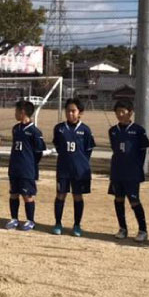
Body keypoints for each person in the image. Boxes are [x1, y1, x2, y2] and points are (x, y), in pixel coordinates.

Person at [108, 100, 149, 242]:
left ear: (130, 112)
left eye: (123, 111)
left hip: (132, 172)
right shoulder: (113, 131)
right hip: (117, 171)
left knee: (134, 201)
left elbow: (143, 151)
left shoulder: (138, 130)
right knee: (118, 199)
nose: (120, 114)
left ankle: (143, 230)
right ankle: (122, 228)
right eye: (117, 112)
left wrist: (137, 168)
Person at [52, 98, 96, 237]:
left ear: (80, 113)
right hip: (63, 169)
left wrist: (80, 162)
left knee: (78, 196)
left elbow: (88, 150)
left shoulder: (85, 130)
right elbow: (59, 146)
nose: (70, 114)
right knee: (60, 195)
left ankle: (77, 225)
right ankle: (58, 223)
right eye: (68, 111)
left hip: (80, 170)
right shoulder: (59, 128)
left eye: (73, 111)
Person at [5, 100, 45, 231]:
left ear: (22, 112)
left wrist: (30, 164)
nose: (14, 113)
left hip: (27, 169)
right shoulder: (16, 128)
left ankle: (30, 220)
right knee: (14, 193)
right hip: (14, 167)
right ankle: (14, 218)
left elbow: (39, 152)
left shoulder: (35, 132)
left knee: (27, 196)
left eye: (16, 111)